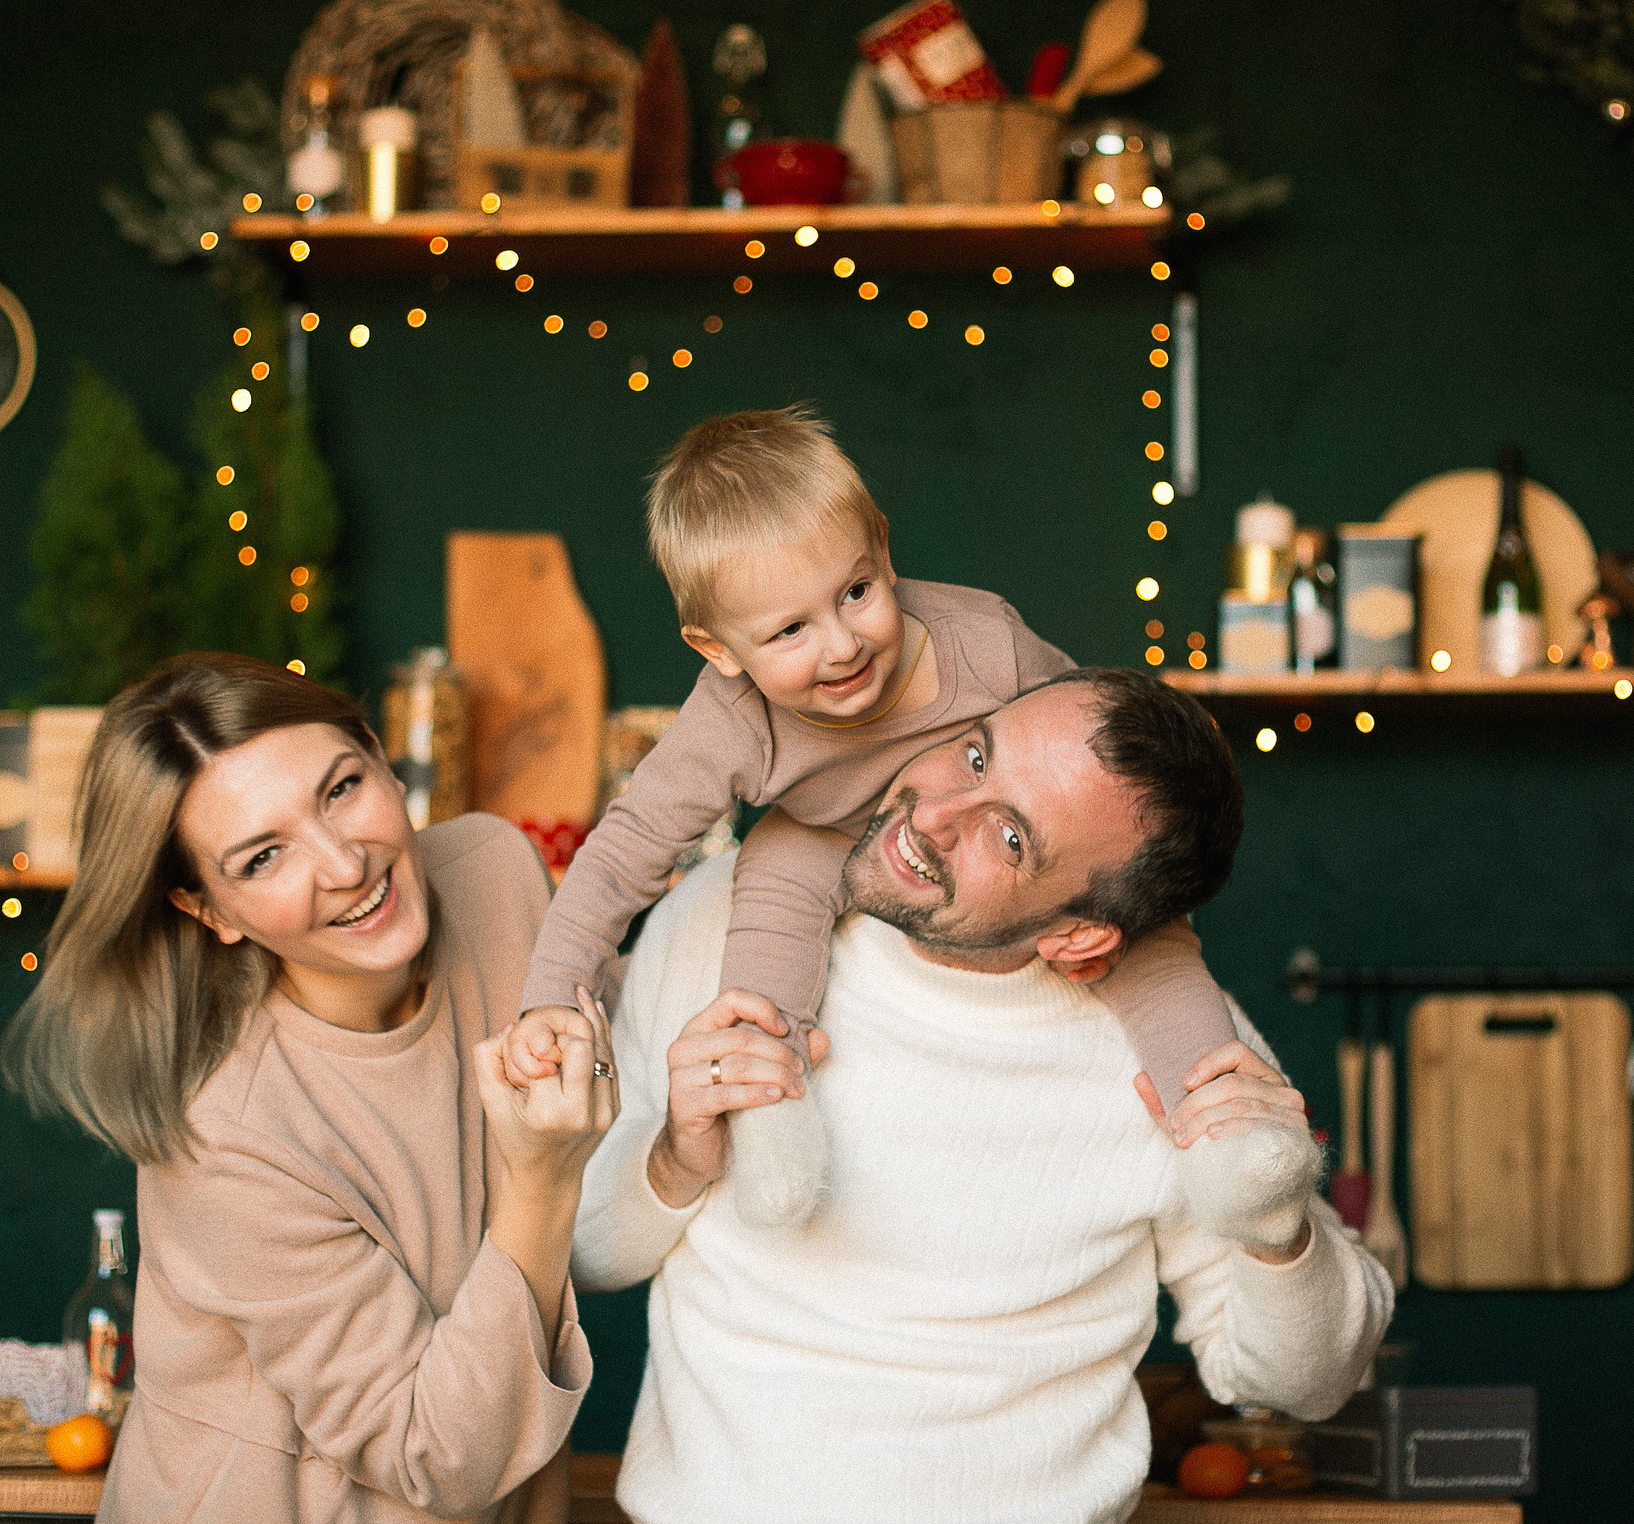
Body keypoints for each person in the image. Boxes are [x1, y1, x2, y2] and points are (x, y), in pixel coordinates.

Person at [563, 667, 1391, 1524]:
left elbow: (1304, 1381)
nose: (934, 813)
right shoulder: (725, 922)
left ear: (1079, 936)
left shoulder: (1173, 1051)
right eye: (974, 751)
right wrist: (676, 1157)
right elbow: (587, 1250)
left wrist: (1278, 1227)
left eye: (1010, 837)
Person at [2, 653, 616, 1524]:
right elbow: (441, 1452)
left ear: (381, 755)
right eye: (264, 854)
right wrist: (541, 1179)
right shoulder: (224, 1131)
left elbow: (615, 1144)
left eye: (341, 787)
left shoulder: (495, 876)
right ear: (208, 909)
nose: (345, 862)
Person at [504, 406, 1255, 1234]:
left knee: (1141, 927)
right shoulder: (730, 722)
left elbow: (1093, 757)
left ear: (884, 550)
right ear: (718, 650)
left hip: (968, 829)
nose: (841, 646)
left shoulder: (987, 643)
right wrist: (552, 997)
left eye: (856, 593)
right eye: (789, 630)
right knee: (775, 875)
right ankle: (766, 1094)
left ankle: (1223, 1124)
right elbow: (622, 855)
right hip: (830, 834)